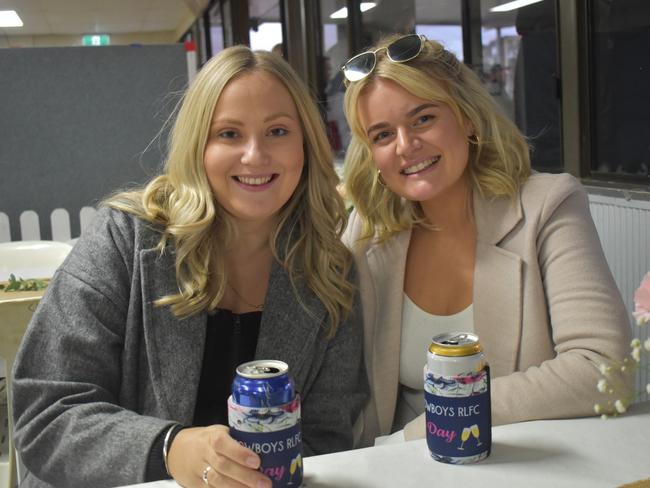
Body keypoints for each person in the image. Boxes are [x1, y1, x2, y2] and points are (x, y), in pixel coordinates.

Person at [12, 45, 368, 488]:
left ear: (307, 145)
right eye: (229, 134)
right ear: (198, 146)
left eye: (277, 131)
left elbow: (325, 437)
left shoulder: (329, 271)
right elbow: (46, 412)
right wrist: (169, 448)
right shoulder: (124, 238)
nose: (255, 155)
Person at [340, 34, 632, 447]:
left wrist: (430, 429)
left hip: (521, 466)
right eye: (383, 134)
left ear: (468, 117)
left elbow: (602, 369)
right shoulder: (367, 234)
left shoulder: (547, 206)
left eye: (423, 118)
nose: (406, 146)